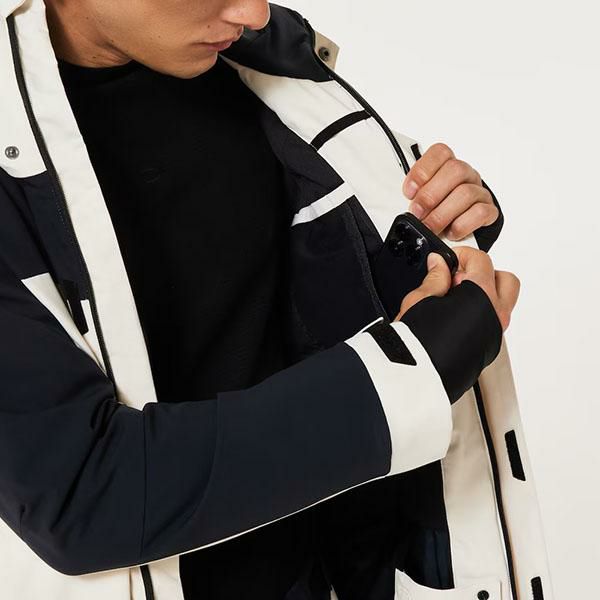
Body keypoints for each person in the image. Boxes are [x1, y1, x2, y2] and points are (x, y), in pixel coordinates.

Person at [0, 1, 553, 599]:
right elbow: (84, 495)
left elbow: (300, 311)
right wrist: (415, 371)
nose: (256, 11)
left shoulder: (257, 69)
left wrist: (431, 232)